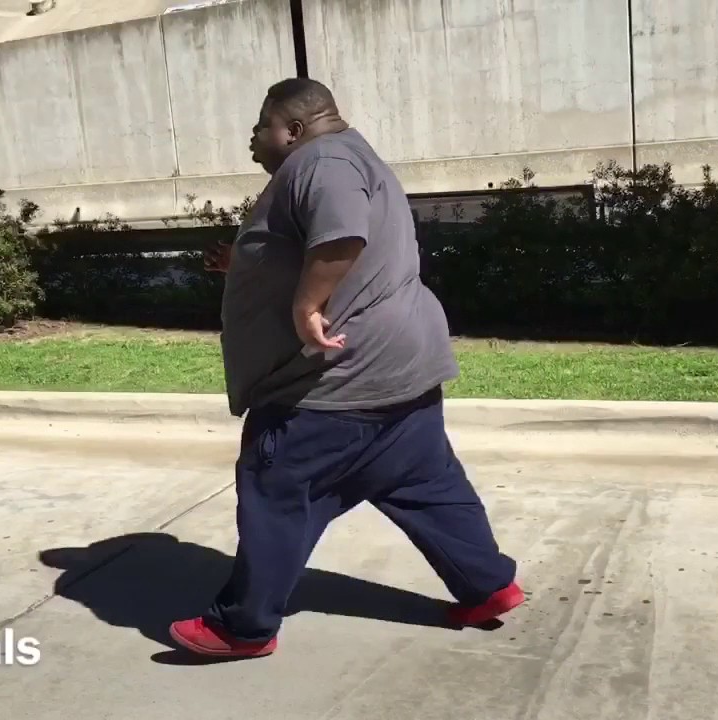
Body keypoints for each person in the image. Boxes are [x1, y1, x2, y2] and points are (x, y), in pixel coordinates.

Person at [168, 78, 523, 658]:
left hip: (335, 379)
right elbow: (325, 246)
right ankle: (487, 586)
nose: (253, 141)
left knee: (275, 485)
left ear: (293, 129)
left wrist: (307, 305)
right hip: (400, 372)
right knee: (428, 485)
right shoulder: (353, 157)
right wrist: (249, 263)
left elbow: (341, 235)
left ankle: (243, 627)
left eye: (260, 128)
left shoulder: (322, 161)